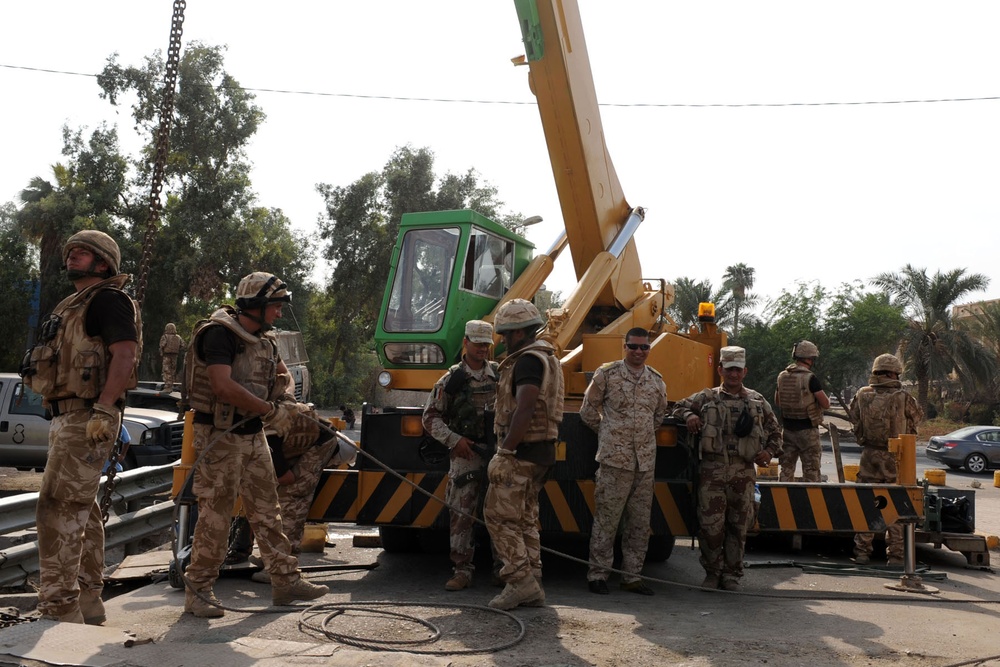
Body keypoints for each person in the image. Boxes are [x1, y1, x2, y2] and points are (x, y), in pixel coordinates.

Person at [180, 271, 328, 617]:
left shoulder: (266, 339)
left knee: (267, 510)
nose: (279, 313)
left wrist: (287, 402)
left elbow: (284, 375)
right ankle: (199, 591)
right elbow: (222, 385)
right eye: (275, 306)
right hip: (219, 437)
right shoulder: (219, 334)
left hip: (252, 435)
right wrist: (268, 410)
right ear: (257, 305)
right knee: (215, 517)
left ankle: (285, 581)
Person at [22, 229, 141, 624]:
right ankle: (88, 599)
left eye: (83, 252)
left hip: (87, 416)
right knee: (82, 510)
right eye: (71, 251)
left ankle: (59, 608)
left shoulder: (108, 300)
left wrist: (105, 409)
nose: (72, 255)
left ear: (104, 263)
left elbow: (124, 353)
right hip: (68, 416)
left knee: (57, 509)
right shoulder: (73, 304)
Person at [670, 346, 782, 591]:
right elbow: (676, 407)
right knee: (710, 527)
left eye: (738, 370)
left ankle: (731, 575)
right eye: (729, 369)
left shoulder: (757, 401)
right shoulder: (707, 397)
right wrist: (689, 415)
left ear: (745, 371)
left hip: (743, 472)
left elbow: (775, 432)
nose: (733, 374)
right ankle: (712, 572)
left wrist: (769, 452)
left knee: (738, 526)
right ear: (720, 370)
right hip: (713, 471)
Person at [483, 299, 564, 610]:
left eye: (506, 334)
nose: (503, 339)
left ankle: (519, 581)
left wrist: (505, 451)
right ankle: (533, 582)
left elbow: (526, 407)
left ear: (519, 332)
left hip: (523, 452)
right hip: (540, 453)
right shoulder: (546, 358)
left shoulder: (527, 361)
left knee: (499, 517)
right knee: (525, 519)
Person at [580, 328, 667, 596]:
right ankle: (597, 574)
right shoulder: (606, 374)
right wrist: (609, 434)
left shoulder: (656, 381)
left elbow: (659, 417)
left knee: (639, 524)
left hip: (644, 464)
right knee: (607, 521)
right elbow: (587, 411)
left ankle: (632, 577)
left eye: (644, 348)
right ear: (625, 346)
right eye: (633, 346)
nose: (638, 352)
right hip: (614, 462)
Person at [227, 407, 358, 579]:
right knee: (273, 495)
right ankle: (272, 557)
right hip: (301, 442)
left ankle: (283, 567)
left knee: (292, 498)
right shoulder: (249, 434)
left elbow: (285, 478)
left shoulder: (265, 438)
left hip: (324, 443)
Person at [422, 320, 499, 591]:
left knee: (500, 512)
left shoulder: (499, 376)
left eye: (486, 344)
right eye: (477, 343)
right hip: (466, 454)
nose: (482, 349)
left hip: (497, 453)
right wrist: (455, 441)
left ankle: (503, 568)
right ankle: (462, 569)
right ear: (465, 343)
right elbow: (430, 417)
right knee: (462, 512)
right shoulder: (452, 380)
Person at [848, 353, 923, 566]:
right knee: (896, 506)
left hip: (869, 455)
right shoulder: (903, 397)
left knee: (867, 504)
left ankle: (862, 552)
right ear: (894, 372)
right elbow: (917, 417)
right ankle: (896, 556)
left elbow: (854, 417)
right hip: (895, 457)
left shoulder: (862, 394)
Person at [774, 340, 830, 482]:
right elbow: (826, 404)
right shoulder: (810, 378)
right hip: (808, 432)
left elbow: (777, 401)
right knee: (811, 471)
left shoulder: (782, 376)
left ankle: (783, 500)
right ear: (809, 358)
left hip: (787, 430)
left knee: (786, 469)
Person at [159, 323, 184, 392]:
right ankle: (171, 385)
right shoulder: (178, 337)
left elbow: (162, 345)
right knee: (172, 371)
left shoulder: (165, 336)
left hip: (167, 355)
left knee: (166, 370)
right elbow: (183, 345)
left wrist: (161, 352)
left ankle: (167, 387)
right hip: (175, 356)